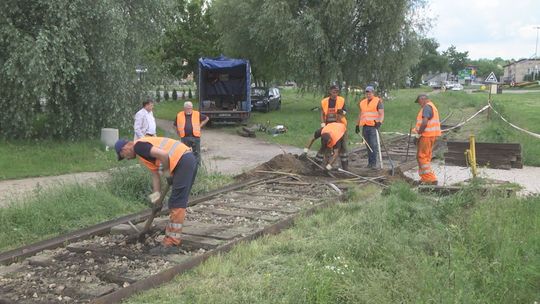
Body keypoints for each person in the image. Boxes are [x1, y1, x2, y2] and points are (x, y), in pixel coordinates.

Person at [115, 137, 198, 254]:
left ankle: (172, 242)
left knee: (176, 202)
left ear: (125, 148)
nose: (126, 159)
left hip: (183, 160)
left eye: (123, 155)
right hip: (186, 159)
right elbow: (155, 177)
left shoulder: (139, 146)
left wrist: (167, 172)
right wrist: (156, 201)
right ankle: (171, 236)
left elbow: (163, 155)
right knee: (177, 201)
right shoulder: (143, 155)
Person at [412, 94, 441, 185]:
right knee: (426, 156)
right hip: (431, 135)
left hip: (426, 136)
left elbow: (424, 122)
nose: (419, 104)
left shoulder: (427, 107)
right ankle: (425, 178)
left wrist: (418, 135)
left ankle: (430, 179)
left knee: (422, 156)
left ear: (423, 99)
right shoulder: (432, 107)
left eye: (419, 102)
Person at [355, 86, 384, 168]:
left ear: (373, 93)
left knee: (373, 145)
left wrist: (379, 122)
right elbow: (360, 114)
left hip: (373, 126)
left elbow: (381, 113)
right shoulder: (362, 102)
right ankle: (370, 163)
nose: (368, 94)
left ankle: (374, 163)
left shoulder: (378, 101)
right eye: (367, 92)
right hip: (365, 126)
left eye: (370, 92)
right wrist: (357, 125)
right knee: (368, 145)